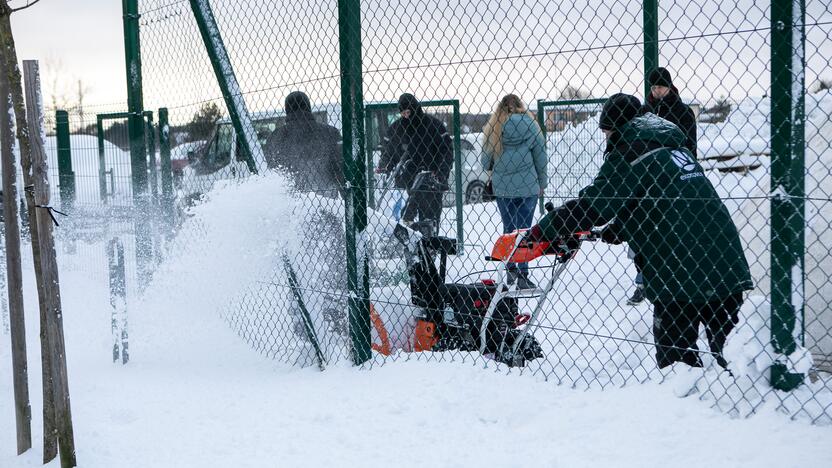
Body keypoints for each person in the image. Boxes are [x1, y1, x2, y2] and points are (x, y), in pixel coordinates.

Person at [524, 93, 752, 370]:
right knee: (736, 361)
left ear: (615, 127)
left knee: (676, 362)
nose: (606, 138)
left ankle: (680, 402)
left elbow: (595, 205)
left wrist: (542, 230)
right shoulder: (672, 147)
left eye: (606, 132)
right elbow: (659, 197)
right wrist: (619, 229)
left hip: (679, 267)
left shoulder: (630, 151)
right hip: (725, 259)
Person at [625, 67, 698, 305]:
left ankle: (668, 279)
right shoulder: (645, 112)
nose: (657, 91)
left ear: (670, 86)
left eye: (661, 86)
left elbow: (689, 147)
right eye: (654, 87)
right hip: (647, 178)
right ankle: (643, 281)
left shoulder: (683, 112)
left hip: (672, 177)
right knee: (641, 230)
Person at [481, 94, 547, 289]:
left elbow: (485, 162)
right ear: (520, 106)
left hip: (503, 189)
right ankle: (523, 274)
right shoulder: (531, 125)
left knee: (509, 229)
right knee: (525, 231)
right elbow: (541, 158)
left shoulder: (494, 127)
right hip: (528, 186)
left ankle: (510, 270)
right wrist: (542, 183)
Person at [377, 93, 453, 233]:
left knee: (429, 220)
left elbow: (446, 151)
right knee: (407, 219)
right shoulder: (396, 129)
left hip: (431, 181)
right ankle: (411, 245)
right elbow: (389, 152)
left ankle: (429, 247)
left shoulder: (434, 126)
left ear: (415, 109)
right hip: (408, 182)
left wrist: (441, 173)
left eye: (409, 112)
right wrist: (385, 166)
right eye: (403, 113)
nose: (406, 116)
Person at [264, 91, 343, 198]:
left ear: (287, 110)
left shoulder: (275, 137)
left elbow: (273, 169)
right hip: (326, 199)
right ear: (308, 107)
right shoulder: (330, 132)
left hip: (288, 202)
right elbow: (340, 167)